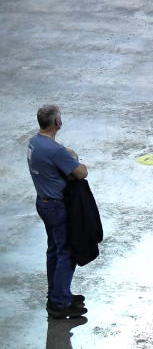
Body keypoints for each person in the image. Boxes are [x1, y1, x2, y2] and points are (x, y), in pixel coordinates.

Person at [28, 104, 89, 319]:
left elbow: (56, 156)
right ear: (57, 122)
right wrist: (72, 157)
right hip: (56, 206)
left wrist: (65, 153)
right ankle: (60, 303)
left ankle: (56, 294)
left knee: (54, 249)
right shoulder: (54, 150)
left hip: (43, 203)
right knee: (67, 252)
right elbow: (80, 173)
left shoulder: (34, 142)